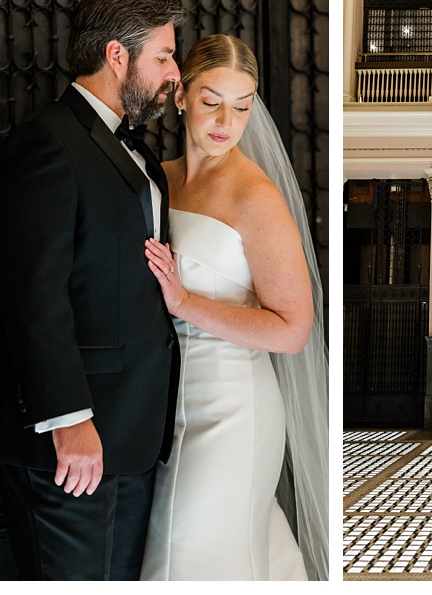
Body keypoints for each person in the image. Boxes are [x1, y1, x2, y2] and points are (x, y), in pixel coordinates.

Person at [0, 0, 187, 580]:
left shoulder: (139, 155)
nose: (174, 73)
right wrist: (70, 419)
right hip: (69, 444)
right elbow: (31, 293)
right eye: (164, 56)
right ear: (117, 55)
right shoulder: (46, 142)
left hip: (130, 437)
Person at [138, 34, 328, 581]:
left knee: (189, 552)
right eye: (211, 101)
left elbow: (294, 330)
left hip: (232, 406)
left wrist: (185, 302)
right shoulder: (159, 179)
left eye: (242, 106)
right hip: (167, 402)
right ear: (180, 95)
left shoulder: (255, 197)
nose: (226, 120)